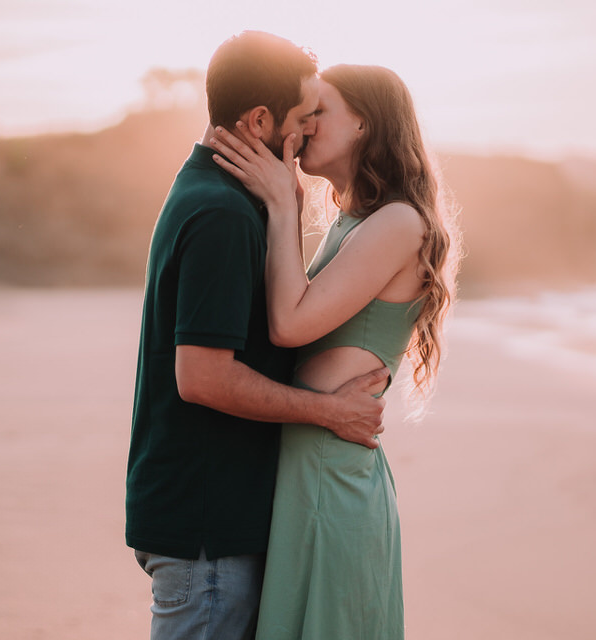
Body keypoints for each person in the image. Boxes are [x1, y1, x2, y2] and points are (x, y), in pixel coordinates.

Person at [126, 33, 392, 640]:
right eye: (300, 123)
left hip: (205, 518)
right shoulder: (220, 212)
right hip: (207, 530)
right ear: (260, 120)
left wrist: (285, 211)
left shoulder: (217, 195)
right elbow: (202, 377)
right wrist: (329, 413)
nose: (301, 145)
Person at [211, 64, 458, 639]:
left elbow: (290, 323)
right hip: (311, 468)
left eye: (319, 110)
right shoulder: (353, 220)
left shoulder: (399, 222)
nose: (303, 124)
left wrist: (282, 204)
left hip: (334, 478)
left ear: (364, 124)